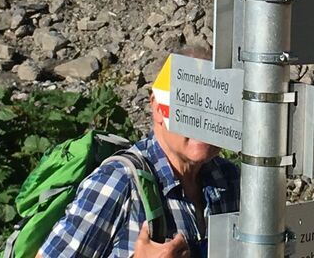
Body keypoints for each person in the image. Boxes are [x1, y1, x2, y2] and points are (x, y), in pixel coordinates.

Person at [38, 51, 240, 258]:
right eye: (192, 104)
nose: (206, 120)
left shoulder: (229, 179)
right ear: (158, 107)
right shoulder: (119, 182)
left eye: (220, 106)